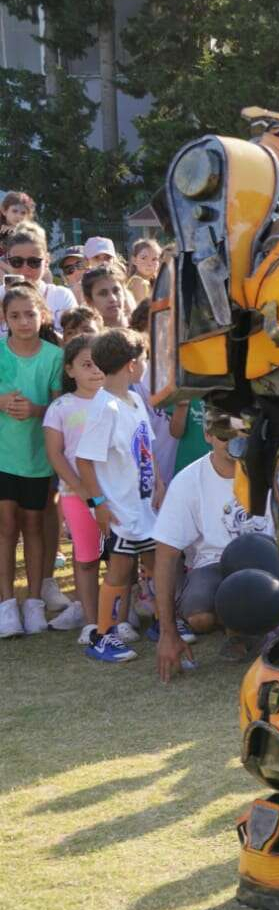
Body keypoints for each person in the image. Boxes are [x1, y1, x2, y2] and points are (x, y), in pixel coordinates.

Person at [150, 409, 277, 675]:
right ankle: (242, 628)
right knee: (198, 617)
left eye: (241, 431)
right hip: (214, 565)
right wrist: (168, 632)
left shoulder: (273, 470)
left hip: (269, 561)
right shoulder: (188, 480)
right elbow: (165, 552)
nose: (233, 441)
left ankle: (257, 627)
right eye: (223, 434)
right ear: (207, 435)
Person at [75, 329, 161, 664]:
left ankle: (162, 622)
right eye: (141, 359)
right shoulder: (104, 408)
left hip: (144, 505)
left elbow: (146, 447)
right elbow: (84, 460)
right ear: (130, 364)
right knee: (120, 571)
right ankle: (103, 635)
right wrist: (98, 504)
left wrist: (160, 483)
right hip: (122, 509)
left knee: (157, 563)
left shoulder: (135, 399)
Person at [0, 282, 63, 638]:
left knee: (34, 524)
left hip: (38, 457)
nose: (23, 321)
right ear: (5, 318)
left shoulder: (54, 357)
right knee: (6, 526)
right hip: (3, 455)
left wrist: (37, 409)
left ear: (43, 315)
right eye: (15, 315)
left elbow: (60, 407)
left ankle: (35, 601)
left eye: (29, 314)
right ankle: (7, 604)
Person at [41, 334, 102, 641]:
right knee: (87, 558)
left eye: (100, 363)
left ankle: (119, 616)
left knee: (121, 556)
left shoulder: (117, 402)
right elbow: (55, 453)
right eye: (86, 364)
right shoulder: (60, 407)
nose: (95, 370)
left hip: (115, 495)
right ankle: (91, 622)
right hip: (75, 496)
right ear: (70, 370)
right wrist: (80, 487)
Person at [3, 224, 76, 326]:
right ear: (7, 261)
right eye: (17, 261)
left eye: (34, 262)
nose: (25, 268)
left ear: (46, 261)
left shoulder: (61, 296)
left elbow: (73, 339)